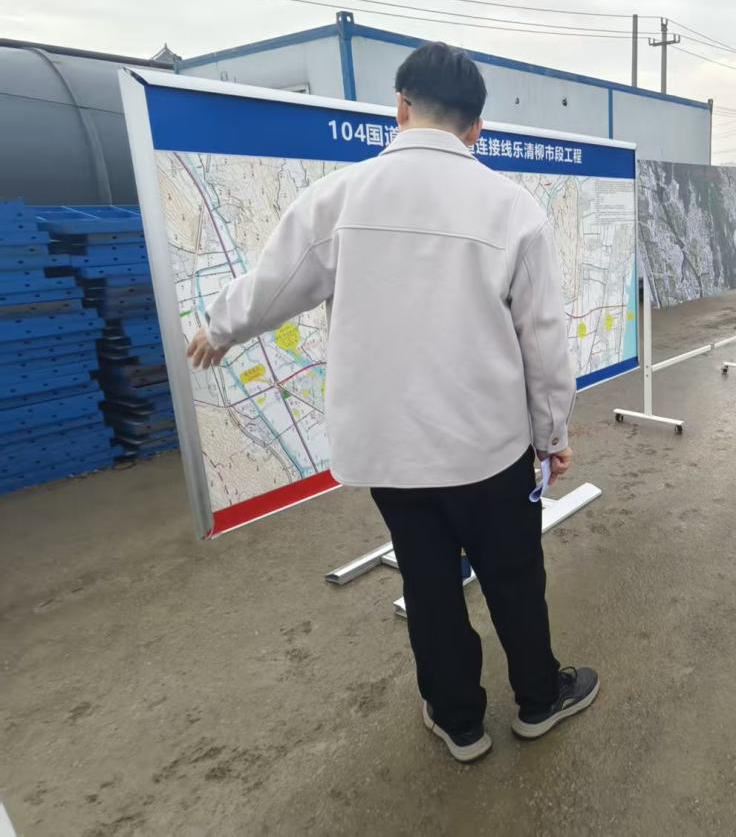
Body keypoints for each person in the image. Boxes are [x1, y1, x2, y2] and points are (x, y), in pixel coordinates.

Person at [186, 42, 599, 763]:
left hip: (390, 451)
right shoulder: (513, 209)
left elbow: (272, 286)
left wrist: (218, 330)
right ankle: (538, 700)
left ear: (401, 108)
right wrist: (551, 435)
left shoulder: (338, 198)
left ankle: (459, 722)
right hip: (488, 447)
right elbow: (542, 341)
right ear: (476, 129)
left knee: (429, 581)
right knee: (513, 575)